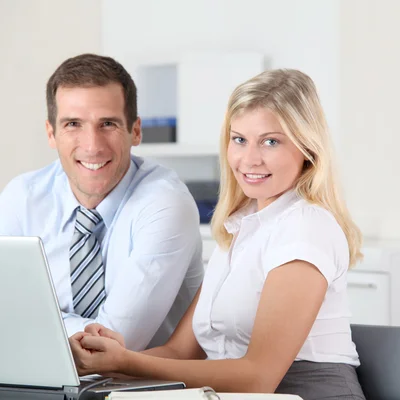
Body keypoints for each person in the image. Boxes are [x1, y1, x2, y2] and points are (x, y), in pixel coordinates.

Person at [69, 68, 366, 400]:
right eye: (239, 139)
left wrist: (129, 362)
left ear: (307, 148)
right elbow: (180, 354)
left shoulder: (305, 228)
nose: (249, 159)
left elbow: (258, 379)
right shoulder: (241, 226)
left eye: (271, 141)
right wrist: (107, 361)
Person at [0, 53, 204, 351]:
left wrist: (31, 319)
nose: (92, 146)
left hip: (143, 389)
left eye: (108, 124)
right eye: (73, 124)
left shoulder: (165, 203)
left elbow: (116, 343)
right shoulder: (21, 198)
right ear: (52, 133)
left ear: (135, 131)